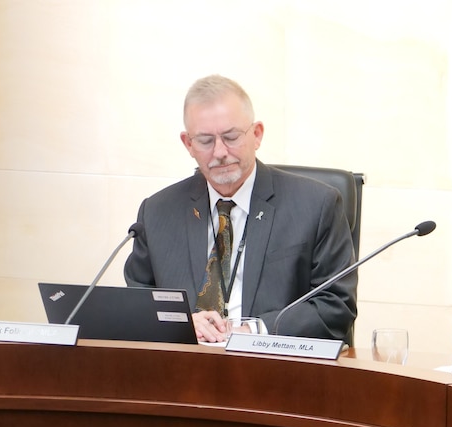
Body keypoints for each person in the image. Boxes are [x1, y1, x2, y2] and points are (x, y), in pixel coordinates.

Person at [124, 75, 357, 343]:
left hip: (273, 371)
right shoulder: (157, 213)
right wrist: (183, 322)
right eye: (205, 141)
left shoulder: (316, 205)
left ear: (257, 134)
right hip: (182, 372)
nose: (220, 152)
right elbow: (137, 303)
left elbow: (335, 306)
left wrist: (252, 332)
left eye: (231, 137)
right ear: (188, 144)